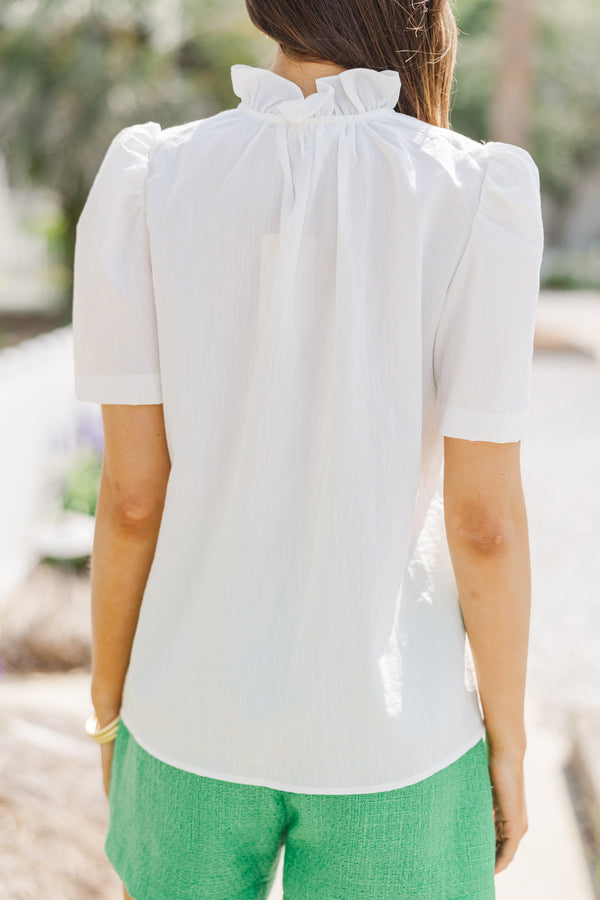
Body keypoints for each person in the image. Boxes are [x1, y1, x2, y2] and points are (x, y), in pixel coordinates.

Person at [72, 0, 544, 897]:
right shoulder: (476, 192)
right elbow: (484, 521)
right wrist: (509, 744)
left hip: (187, 717)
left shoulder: (150, 177)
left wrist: (109, 710)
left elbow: (133, 500)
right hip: (394, 737)